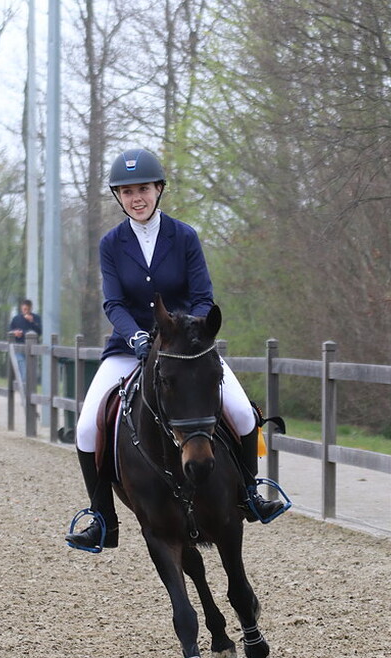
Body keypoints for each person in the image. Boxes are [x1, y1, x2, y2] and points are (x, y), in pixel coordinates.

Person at [66, 148, 286, 551]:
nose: (137, 198)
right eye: (128, 191)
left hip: (187, 349)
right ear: (119, 196)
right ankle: (102, 518)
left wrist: (190, 332)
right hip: (127, 348)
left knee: (239, 410)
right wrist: (135, 336)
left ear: (158, 189)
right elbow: (113, 302)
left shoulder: (184, 236)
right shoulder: (111, 244)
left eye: (144, 189)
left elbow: (203, 296)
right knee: (85, 428)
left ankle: (250, 494)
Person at [9, 299, 42, 385]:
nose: (26, 311)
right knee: (22, 366)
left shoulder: (36, 318)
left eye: (28, 309)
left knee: (31, 369)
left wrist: (32, 322)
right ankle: (24, 387)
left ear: (31, 309)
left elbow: (39, 332)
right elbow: (9, 331)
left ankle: (27, 388)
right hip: (19, 347)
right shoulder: (16, 319)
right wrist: (14, 333)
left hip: (32, 349)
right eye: (24, 309)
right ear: (21, 308)